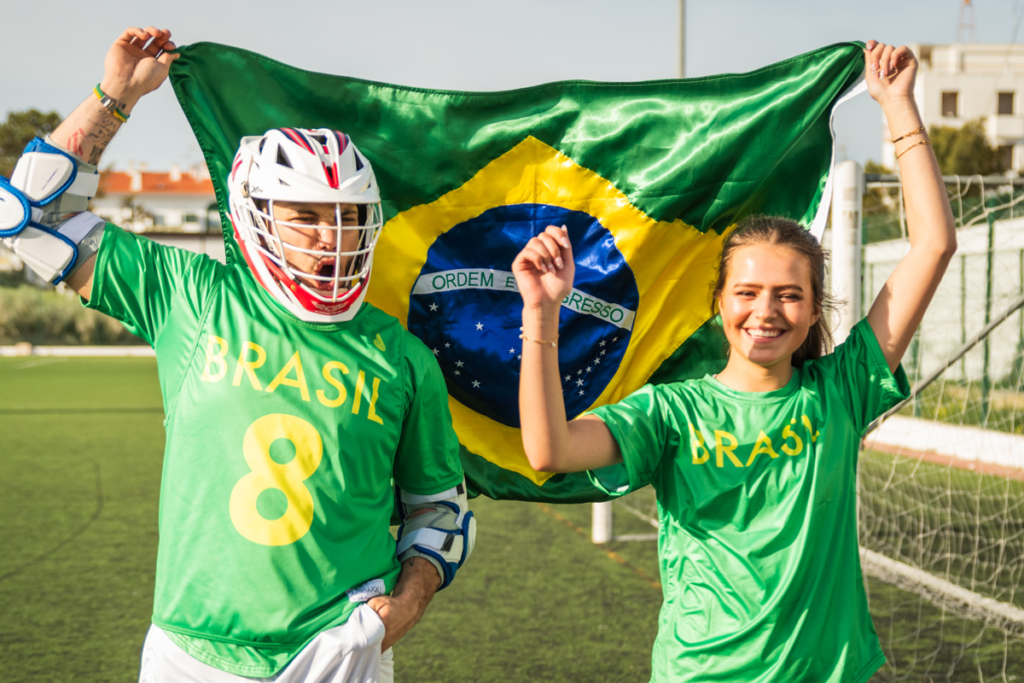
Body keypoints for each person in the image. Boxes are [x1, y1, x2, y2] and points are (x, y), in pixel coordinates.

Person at [0, 27, 475, 683]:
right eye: (307, 215)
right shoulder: (191, 296)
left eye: (347, 217)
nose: (332, 237)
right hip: (191, 654)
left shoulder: (401, 355)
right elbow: (32, 220)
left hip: (342, 649)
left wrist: (401, 609)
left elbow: (438, 509)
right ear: (256, 213)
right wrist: (117, 95)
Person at [511, 41, 955, 682]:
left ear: (810, 310)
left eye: (788, 295)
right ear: (720, 304)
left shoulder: (841, 390)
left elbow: (934, 245)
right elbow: (549, 451)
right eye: (746, 293)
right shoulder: (672, 411)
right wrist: (541, 314)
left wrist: (898, 106)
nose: (765, 311)